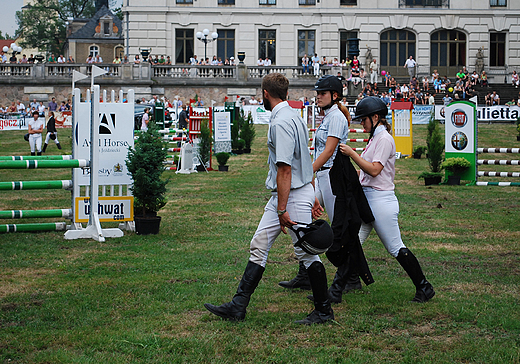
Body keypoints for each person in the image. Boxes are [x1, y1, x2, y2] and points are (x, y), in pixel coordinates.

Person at [204, 73, 334, 325]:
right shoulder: (293, 116)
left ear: (265, 93)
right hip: (293, 192)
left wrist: (283, 208)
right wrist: (310, 191)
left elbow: (286, 168)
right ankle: (238, 305)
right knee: (259, 243)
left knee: (307, 254)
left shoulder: (281, 122)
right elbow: (303, 159)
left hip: (290, 196)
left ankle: (324, 311)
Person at [339, 97, 435, 303]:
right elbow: (367, 172)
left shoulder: (384, 139)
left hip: (380, 201)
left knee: (395, 247)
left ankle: (424, 286)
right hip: (370, 198)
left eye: (363, 120)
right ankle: (341, 286)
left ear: (375, 118)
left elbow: (374, 170)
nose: (361, 124)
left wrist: (352, 153)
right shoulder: (375, 137)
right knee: (354, 242)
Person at [279, 75, 363, 302]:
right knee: (302, 221)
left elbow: (328, 152)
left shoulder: (336, 118)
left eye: (322, 93)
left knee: (341, 230)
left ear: (334, 96)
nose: (318, 97)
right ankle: (305, 272)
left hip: (333, 177)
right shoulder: (328, 117)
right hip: (322, 176)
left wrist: (307, 174)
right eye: (317, 93)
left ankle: (352, 277)